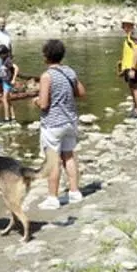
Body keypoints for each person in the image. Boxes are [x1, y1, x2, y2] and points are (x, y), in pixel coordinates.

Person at [33, 39, 85, 210]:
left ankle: (53, 198)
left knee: (53, 161)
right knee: (69, 156)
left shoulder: (46, 76)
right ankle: (75, 192)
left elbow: (44, 104)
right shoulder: (69, 71)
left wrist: (35, 101)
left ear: (46, 56)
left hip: (53, 124)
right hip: (70, 121)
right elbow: (81, 93)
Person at [117, 16, 137, 118]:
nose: (124, 27)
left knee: (135, 88)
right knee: (132, 88)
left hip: (133, 67)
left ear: (131, 25)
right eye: (124, 25)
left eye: (126, 25)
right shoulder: (130, 36)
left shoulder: (134, 36)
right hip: (129, 66)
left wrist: (132, 68)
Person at [0, 44, 19, 125]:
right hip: (5, 81)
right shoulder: (4, 59)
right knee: (8, 100)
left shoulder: (8, 60)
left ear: (4, 53)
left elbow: (16, 68)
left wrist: (14, 79)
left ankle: (7, 118)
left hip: (8, 82)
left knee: (4, 100)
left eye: (0, 54)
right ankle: (13, 117)